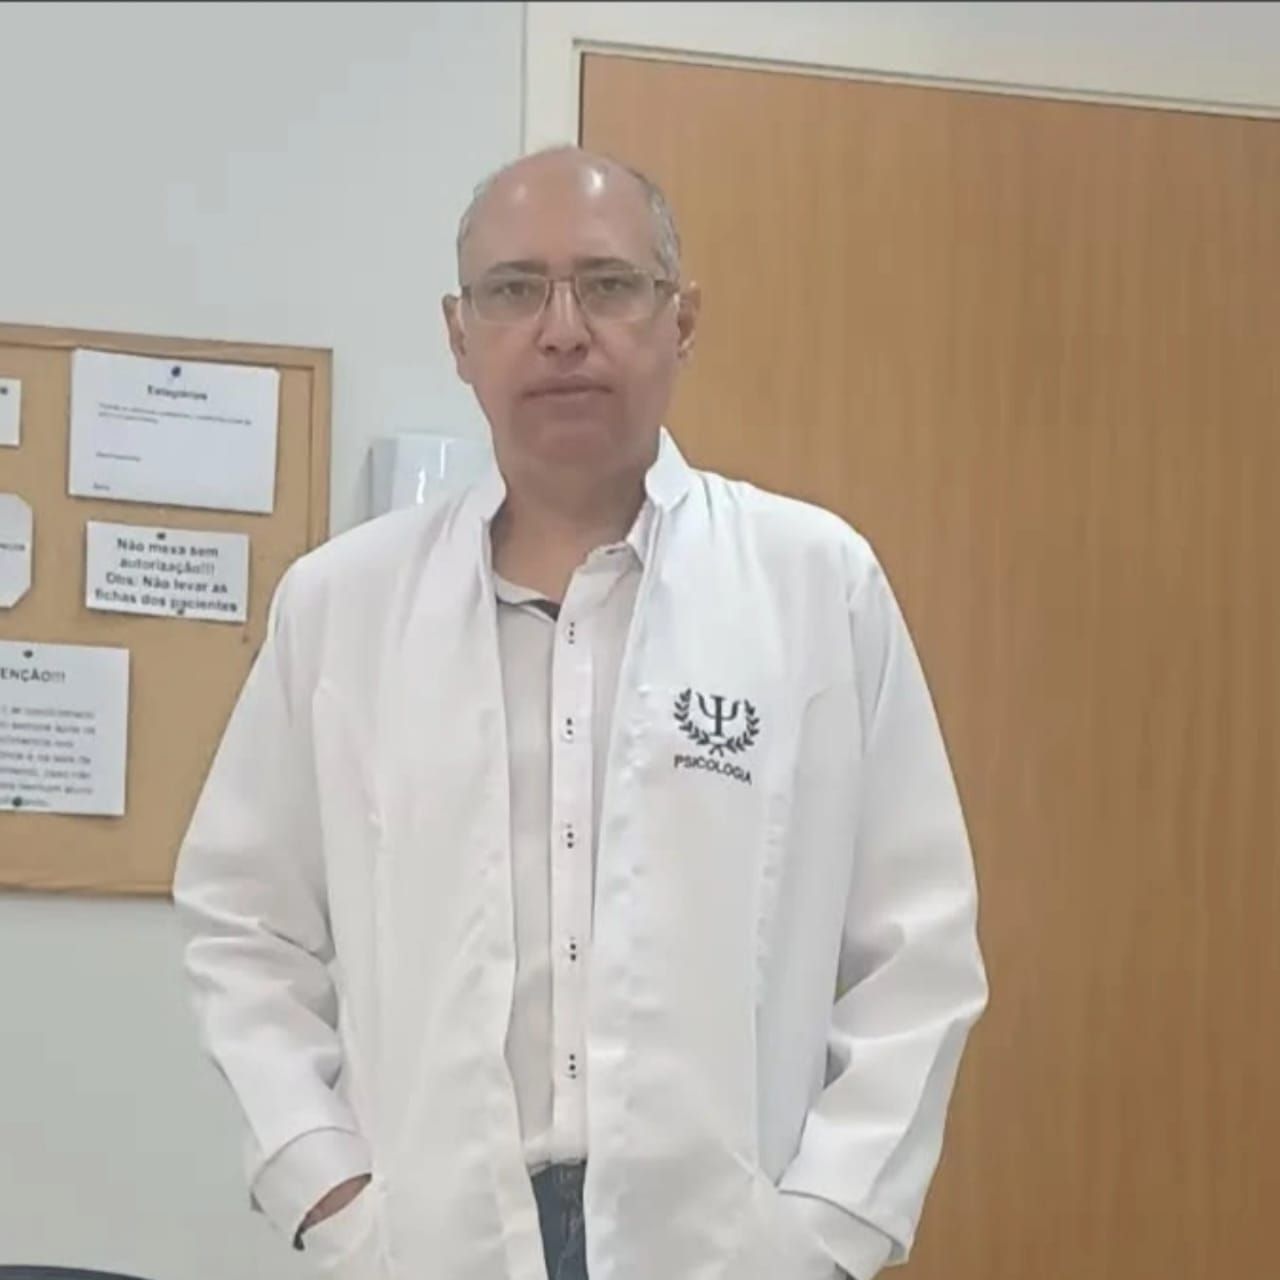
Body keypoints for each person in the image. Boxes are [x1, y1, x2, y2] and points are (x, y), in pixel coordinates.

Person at [173, 146, 988, 1280]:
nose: (562, 330)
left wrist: (823, 1226)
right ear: (459, 334)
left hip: (721, 1244)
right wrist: (325, 1183)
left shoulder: (814, 585)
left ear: (681, 320)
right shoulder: (342, 606)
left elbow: (919, 947)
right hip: (434, 1237)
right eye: (514, 290)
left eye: (608, 284)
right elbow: (243, 924)